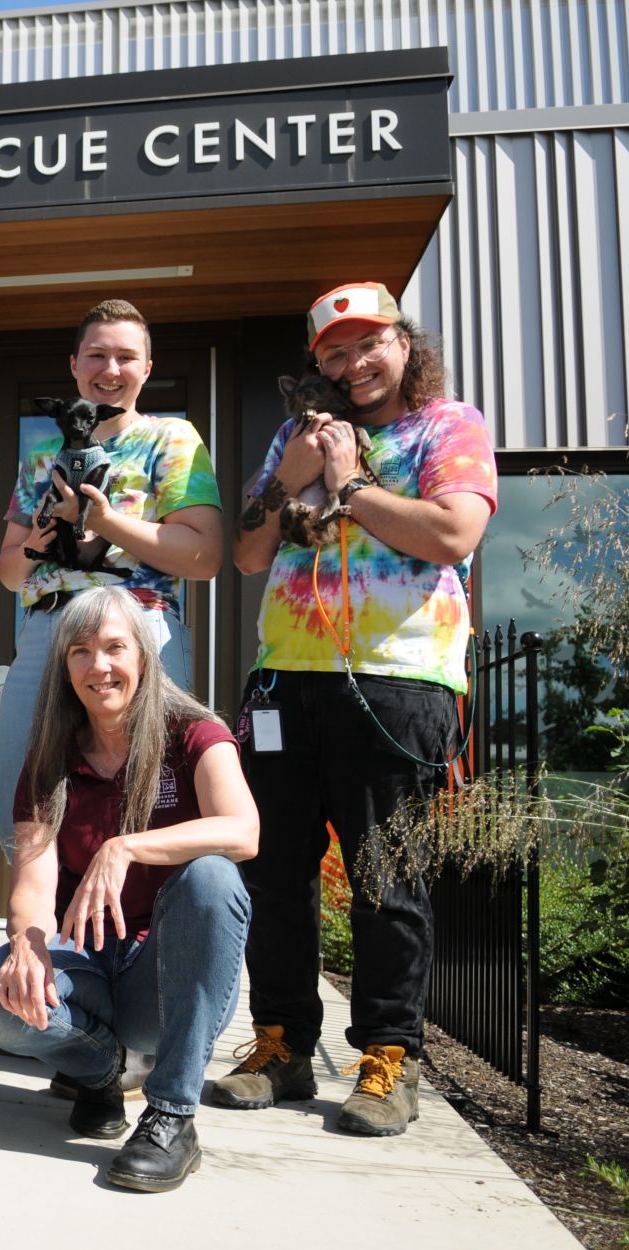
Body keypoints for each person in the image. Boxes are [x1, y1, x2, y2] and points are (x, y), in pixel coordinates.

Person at [214, 282, 496, 1137]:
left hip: (399, 679)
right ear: (317, 364)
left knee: (386, 876)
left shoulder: (448, 426)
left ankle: (387, 1059)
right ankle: (281, 1045)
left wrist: (349, 484)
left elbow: (452, 535)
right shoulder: (295, 435)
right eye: (334, 353)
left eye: (370, 344)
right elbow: (248, 550)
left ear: (405, 344)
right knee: (273, 871)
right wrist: (286, 478)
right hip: (283, 679)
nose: (354, 364)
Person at [0, 586, 256, 1192]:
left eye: (115, 647)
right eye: (80, 651)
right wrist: (26, 943)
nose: (99, 666)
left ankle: (172, 1115)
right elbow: (34, 875)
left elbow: (242, 830)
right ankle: (101, 1073)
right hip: (87, 961)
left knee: (212, 875)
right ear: (64, 666)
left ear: (144, 656)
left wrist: (124, 846)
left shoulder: (193, 733)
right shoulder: (51, 755)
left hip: (164, 977)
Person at [0, 299, 223, 866]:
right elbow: (8, 572)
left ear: (147, 368)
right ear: (74, 365)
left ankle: (144, 937)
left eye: (126, 357)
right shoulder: (42, 454)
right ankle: (43, 935)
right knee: (21, 795)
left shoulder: (172, 438)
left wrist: (101, 521)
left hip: (141, 624)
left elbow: (204, 556)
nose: (110, 369)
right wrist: (39, 539)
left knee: (153, 793)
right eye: (97, 355)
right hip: (48, 629)